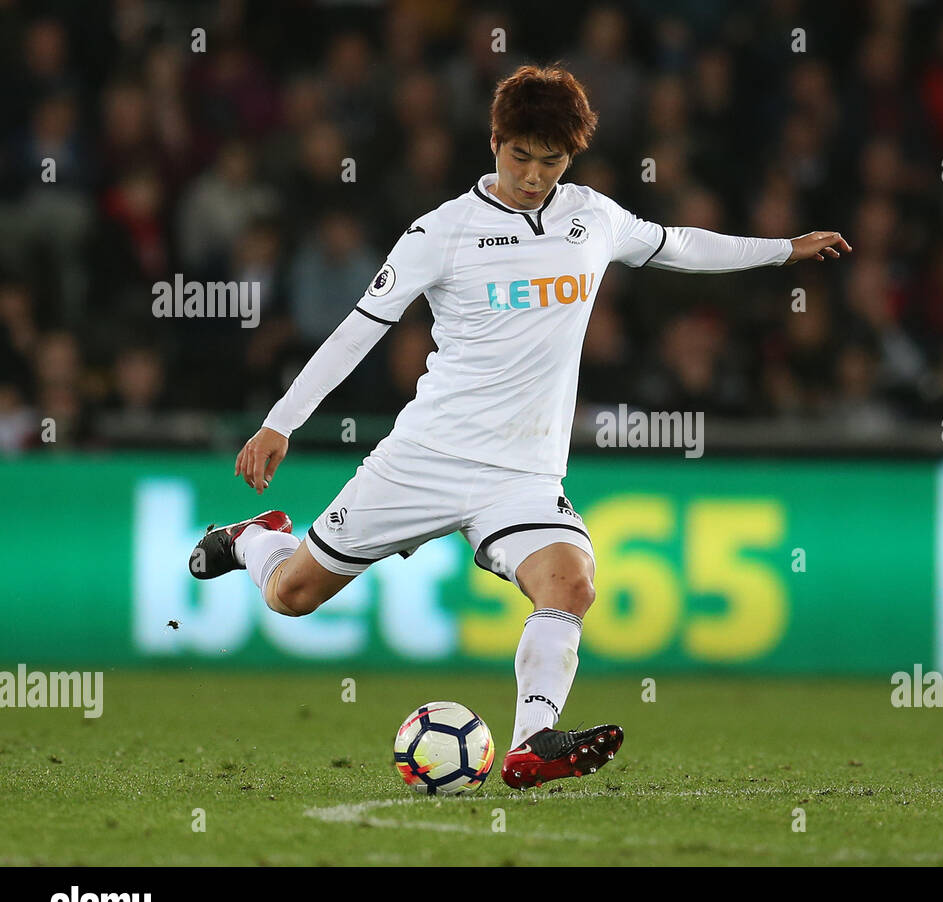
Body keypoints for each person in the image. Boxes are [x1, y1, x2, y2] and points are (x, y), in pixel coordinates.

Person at [188, 64, 851, 789]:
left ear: (571, 159)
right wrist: (281, 423)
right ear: (495, 140)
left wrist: (783, 249)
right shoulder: (440, 232)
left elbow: (681, 245)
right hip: (427, 456)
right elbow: (358, 331)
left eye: (552, 161)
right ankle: (255, 537)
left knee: (570, 584)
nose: (533, 176)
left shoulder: (592, 219)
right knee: (292, 597)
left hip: (525, 475)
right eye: (520, 157)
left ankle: (533, 740)